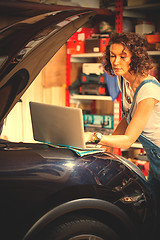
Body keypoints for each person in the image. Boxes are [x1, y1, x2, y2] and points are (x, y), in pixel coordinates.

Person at [85, 32, 160, 189]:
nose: (116, 62)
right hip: (154, 156)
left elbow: (128, 140)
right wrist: (108, 147)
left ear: (136, 57)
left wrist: (94, 137)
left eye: (123, 56)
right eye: (112, 56)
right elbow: (128, 117)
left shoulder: (148, 91)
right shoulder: (123, 78)